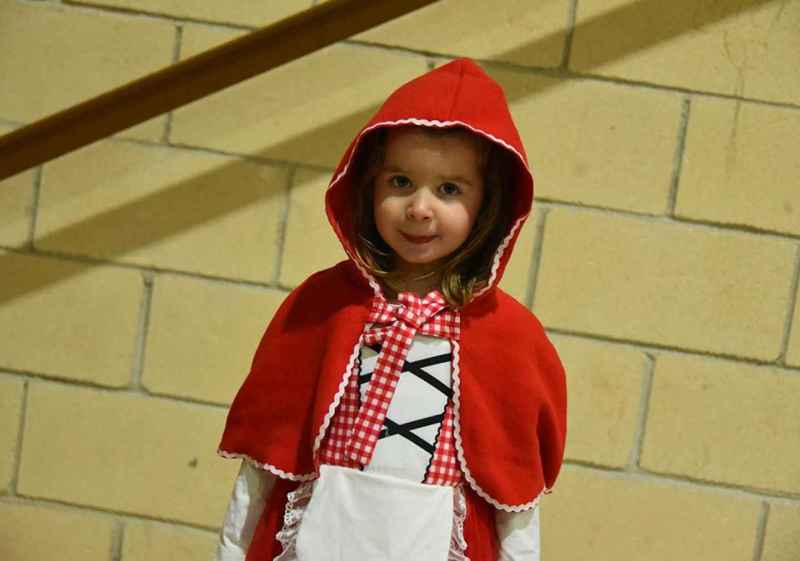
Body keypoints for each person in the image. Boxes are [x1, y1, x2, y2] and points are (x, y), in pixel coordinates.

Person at [216, 58, 567, 561]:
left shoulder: (508, 334)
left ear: (488, 204)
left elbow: (515, 496)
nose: (420, 208)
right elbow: (264, 465)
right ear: (368, 185)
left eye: (449, 189)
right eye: (400, 181)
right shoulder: (323, 306)